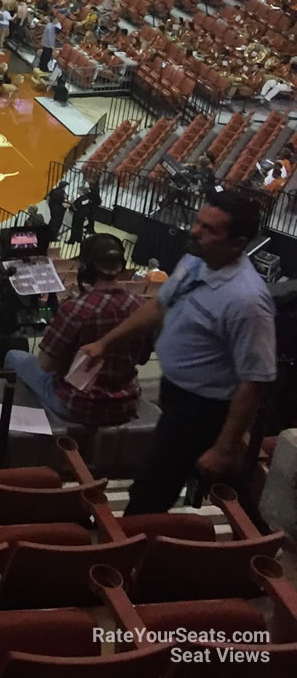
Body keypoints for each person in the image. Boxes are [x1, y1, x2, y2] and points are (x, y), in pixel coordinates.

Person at [79, 191, 276, 513]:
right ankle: (259, 543)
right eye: (198, 222)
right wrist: (105, 343)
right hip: (176, 392)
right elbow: (159, 305)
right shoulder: (195, 259)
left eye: (209, 229)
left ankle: (125, 548)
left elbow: (254, 381)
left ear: (238, 242)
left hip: (203, 407)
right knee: (215, 480)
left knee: (155, 486)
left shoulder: (248, 301)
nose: (194, 231)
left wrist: (224, 448)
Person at [5, 234, 147, 426]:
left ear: (86, 268)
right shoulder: (142, 307)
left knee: (14, 356)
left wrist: (52, 336)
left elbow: (46, 366)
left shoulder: (76, 309)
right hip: (126, 404)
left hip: (79, 406)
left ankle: (20, 418)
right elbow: (143, 357)